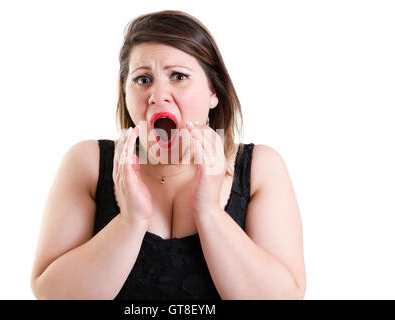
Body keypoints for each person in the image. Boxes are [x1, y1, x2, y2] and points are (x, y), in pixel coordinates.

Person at [30, 10, 306, 300]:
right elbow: (52, 295)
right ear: (125, 94)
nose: (158, 94)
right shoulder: (86, 162)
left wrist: (209, 212)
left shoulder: (261, 167)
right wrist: (131, 220)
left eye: (178, 76)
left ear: (214, 91)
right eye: (143, 79)